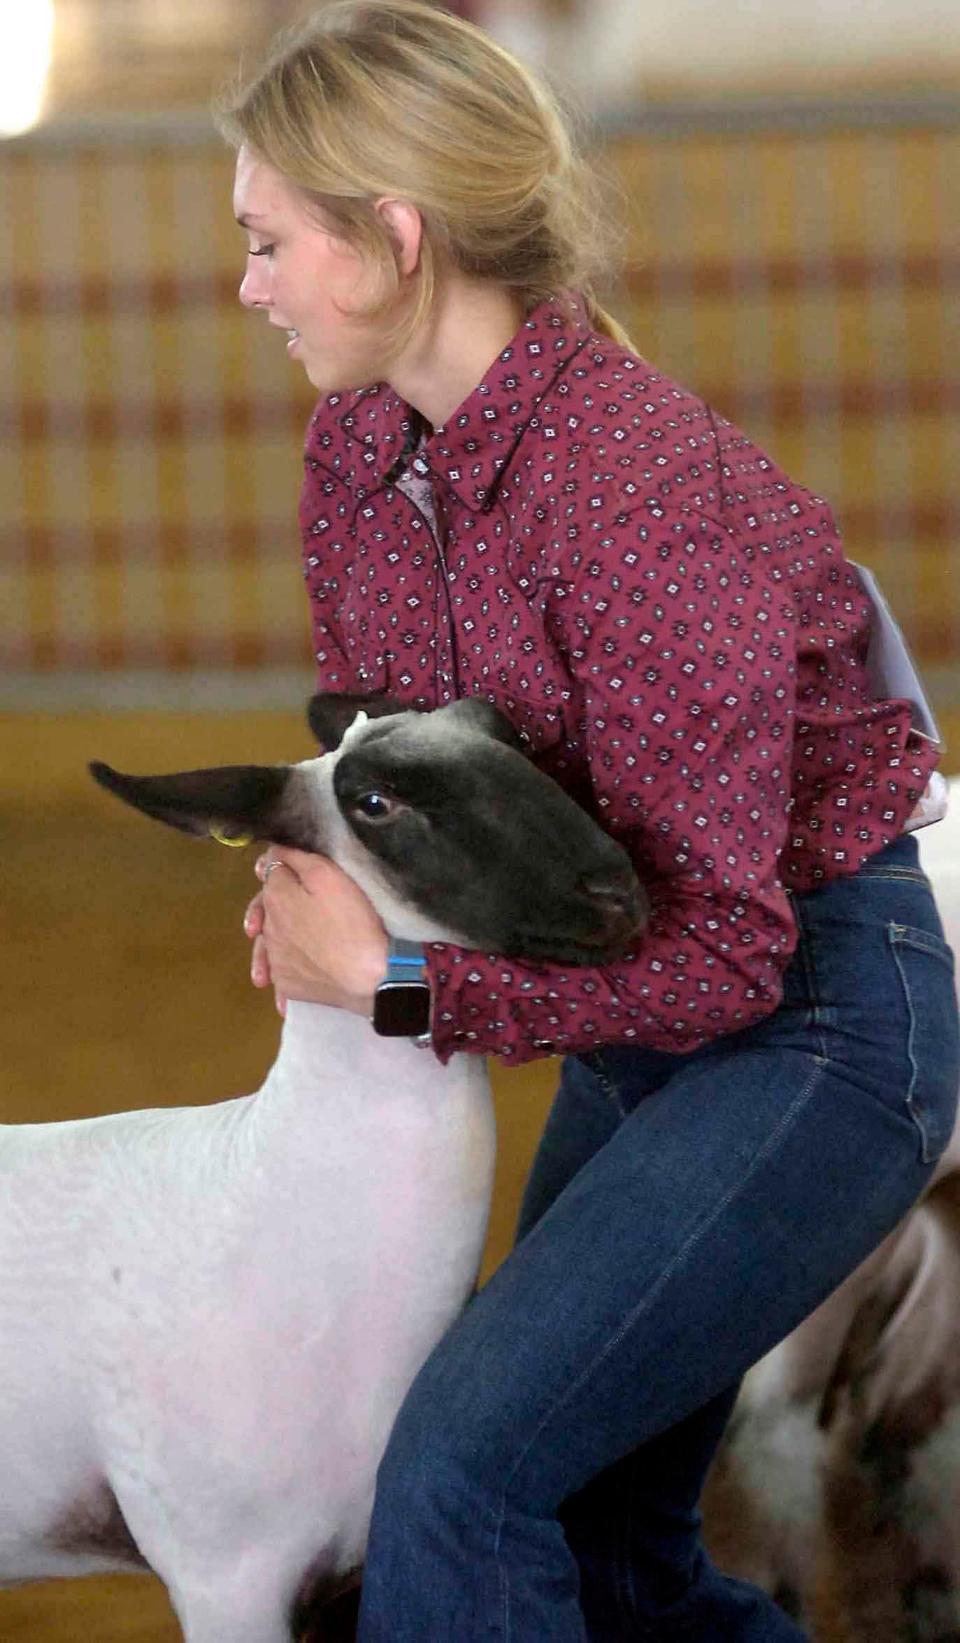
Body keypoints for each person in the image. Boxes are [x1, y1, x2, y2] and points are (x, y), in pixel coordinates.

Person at [220, 3, 959, 1636]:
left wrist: (399, 989)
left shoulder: (635, 494)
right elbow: (393, 769)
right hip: (653, 1017)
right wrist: (320, 884)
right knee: (598, 1540)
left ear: (394, 239)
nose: (249, 285)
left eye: (270, 242)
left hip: (814, 1027)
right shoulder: (355, 445)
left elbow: (729, 960)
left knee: (468, 1481)